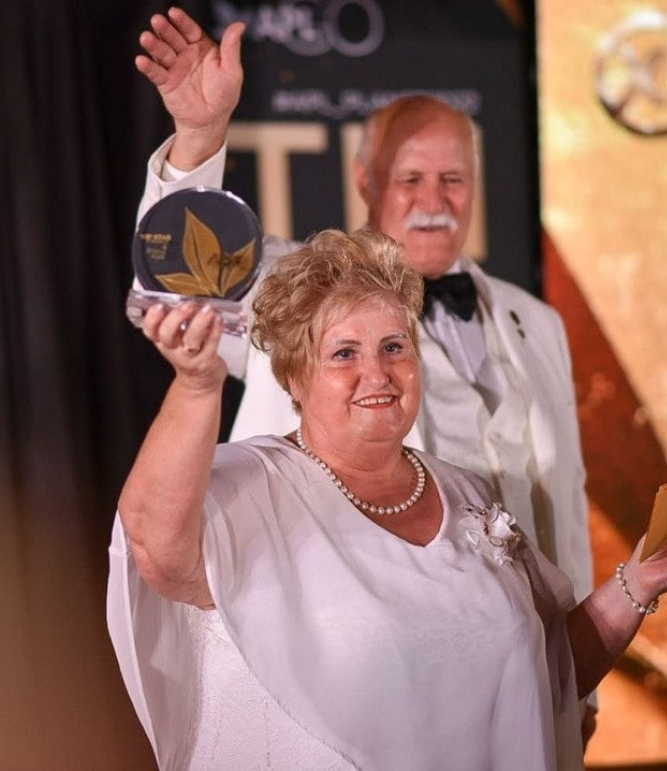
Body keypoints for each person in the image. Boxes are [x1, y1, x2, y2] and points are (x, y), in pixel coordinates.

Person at [107, 228, 667, 769]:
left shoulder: (466, 492)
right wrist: (197, 386)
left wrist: (640, 580)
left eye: (394, 347)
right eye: (344, 353)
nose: (378, 373)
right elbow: (159, 551)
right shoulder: (253, 487)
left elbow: (549, 673)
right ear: (293, 376)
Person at [131, 10, 593, 614]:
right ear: (365, 181)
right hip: (351, 633)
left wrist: (581, 658)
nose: (435, 200)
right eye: (411, 178)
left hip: (528, 649)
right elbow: (180, 284)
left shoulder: (537, 322)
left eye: (453, 178)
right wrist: (200, 132)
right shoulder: (293, 285)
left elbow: (567, 505)